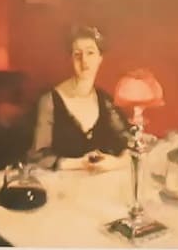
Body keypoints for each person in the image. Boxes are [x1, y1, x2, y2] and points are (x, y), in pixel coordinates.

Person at [28, 26, 132, 165]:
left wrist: (115, 161)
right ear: (70, 58)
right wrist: (79, 164)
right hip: (61, 180)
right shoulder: (50, 101)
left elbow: (128, 142)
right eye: (77, 54)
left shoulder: (105, 101)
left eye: (90, 53)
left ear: (100, 58)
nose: (84, 61)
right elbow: (38, 156)